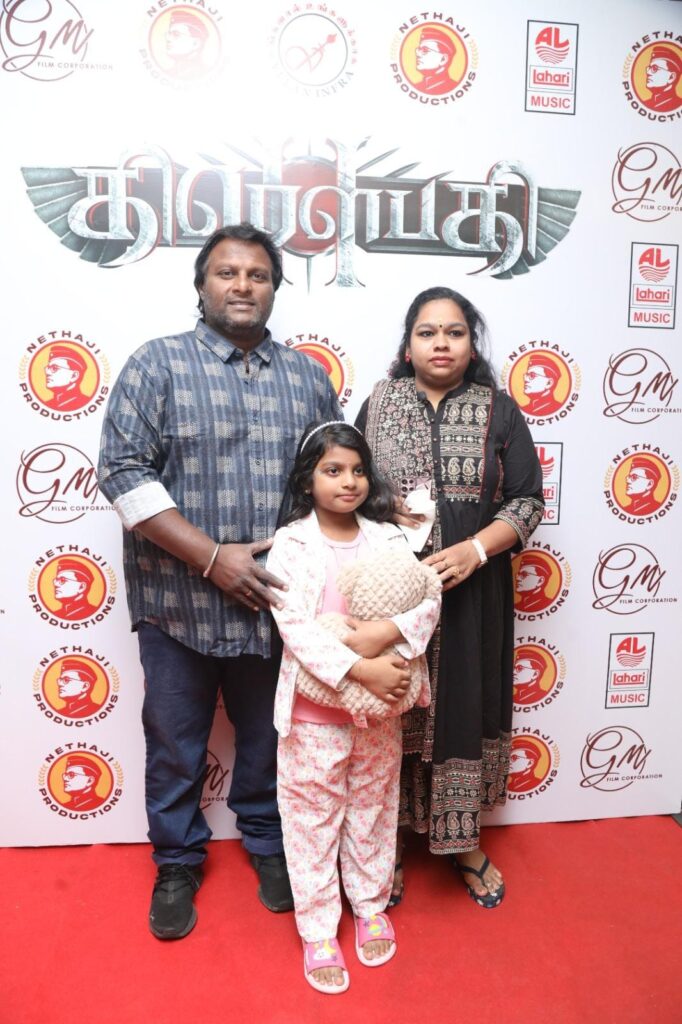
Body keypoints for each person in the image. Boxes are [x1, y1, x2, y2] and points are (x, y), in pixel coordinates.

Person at [98, 223, 342, 940]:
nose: (242, 286)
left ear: (275, 289)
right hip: (177, 606)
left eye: (258, 275)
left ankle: (268, 842)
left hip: (275, 608)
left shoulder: (308, 378)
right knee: (175, 744)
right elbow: (123, 475)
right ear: (201, 285)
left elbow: (332, 480)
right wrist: (212, 558)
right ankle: (176, 861)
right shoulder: (157, 365)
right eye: (227, 273)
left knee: (272, 738)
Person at [356, 286, 544, 909]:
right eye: (428, 332)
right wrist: (382, 509)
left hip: (473, 600)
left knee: (462, 709)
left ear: (471, 344)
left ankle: (462, 843)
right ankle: (387, 843)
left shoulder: (499, 410)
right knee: (391, 716)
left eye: (455, 332)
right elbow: (347, 487)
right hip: (391, 597)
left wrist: (476, 551)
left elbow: (527, 502)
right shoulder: (378, 404)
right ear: (408, 345)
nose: (441, 343)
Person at [266, 422, 440, 993]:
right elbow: (293, 626)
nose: (348, 482)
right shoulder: (291, 544)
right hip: (314, 715)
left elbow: (428, 597)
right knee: (311, 821)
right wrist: (359, 667)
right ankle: (318, 929)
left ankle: (369, 906)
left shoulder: (389, 538)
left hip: (380, 712)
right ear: (307, 479)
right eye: (333, 470)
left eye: (358, 470)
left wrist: (388, 634)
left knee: (372, 811)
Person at [414, 26, 456, 95]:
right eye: (419, 49)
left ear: (443, 59)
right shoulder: (416, 87)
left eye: (425, 50)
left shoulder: (454, 88)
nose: (418, 54)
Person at [44, 345, 87, 410]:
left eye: (54, 368)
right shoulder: (47, 405)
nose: (47, 372)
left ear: (74, 376)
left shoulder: (84, 404)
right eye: (48, 368)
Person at [642, 45, 681, 113]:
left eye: (654, 68)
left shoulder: (678, 104)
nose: (648, 72)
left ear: (671, 77)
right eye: (649, 68)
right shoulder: (645, 105)